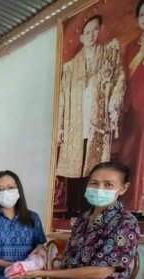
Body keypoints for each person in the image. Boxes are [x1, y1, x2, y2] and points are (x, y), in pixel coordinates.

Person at [55, 14, 125, 218]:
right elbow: (61, 98)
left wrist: (113, 109)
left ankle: (91, 208)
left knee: (94, 166)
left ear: (100, 31)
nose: (91, 34)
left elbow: (119, 80)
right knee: (75, 164)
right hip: (75, 121)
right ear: (82, 36)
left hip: (98, 120)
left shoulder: (110, 53)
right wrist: (60, 126)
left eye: (95, 30)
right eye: (87, 31)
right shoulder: (71, 66)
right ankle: (74, 208)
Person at [119, 0, 144, 214]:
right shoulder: (131, 46)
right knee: (132, 156)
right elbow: (127, 77)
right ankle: (134, 205)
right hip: (135, 108)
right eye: (143, 14)